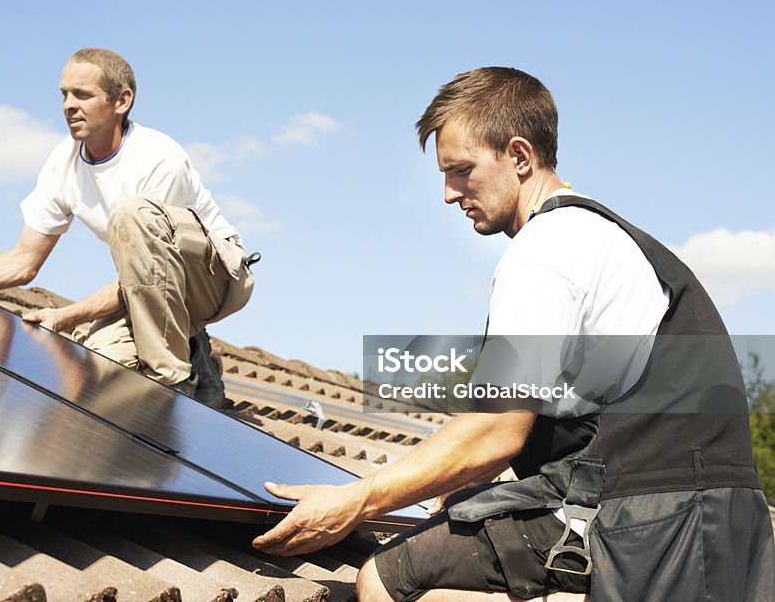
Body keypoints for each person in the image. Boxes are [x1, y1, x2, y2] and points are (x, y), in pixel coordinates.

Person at [252, 67, 774, 600]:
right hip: (725, 521)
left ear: (520, 157)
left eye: (461, 170)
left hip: (650, 522)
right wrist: (462, 479)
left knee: (390, 577)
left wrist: (355, 501)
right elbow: (575, 412)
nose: (449, 194)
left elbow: (497, 429)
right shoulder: (598, 235)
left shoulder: (543, 252)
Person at [0, 48, 253, 396]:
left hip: (216, 277)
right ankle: (196, 354)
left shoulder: (160, 158)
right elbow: (23, 261)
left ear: (121, 101)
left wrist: (68, 315)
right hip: (148, 287)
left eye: (82, 94)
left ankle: (174, 381)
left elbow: (150, 271)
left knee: (131, 215)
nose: (68, 105)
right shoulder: (63, 162)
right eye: (64, 94)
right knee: (99, 364)